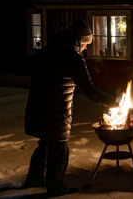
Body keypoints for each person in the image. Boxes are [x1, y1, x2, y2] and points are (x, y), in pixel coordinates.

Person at [23, 19, 114, 196]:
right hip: (56, 112)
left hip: (37, 109)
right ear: (80, 41)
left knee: (44, 145)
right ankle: (56, 188)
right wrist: (114, 101)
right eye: (86, 44)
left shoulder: (47, 52)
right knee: (59, 149)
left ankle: (33, 182)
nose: (86, 48)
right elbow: (90, 90)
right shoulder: (73, 58)